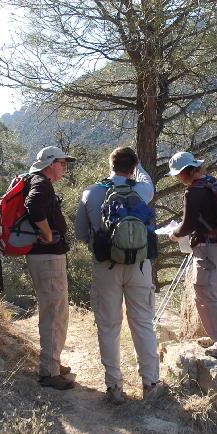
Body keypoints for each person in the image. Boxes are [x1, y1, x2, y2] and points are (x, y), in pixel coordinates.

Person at [75, 147, 165, 404]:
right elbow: (146, 179)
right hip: (139, 265)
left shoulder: (91, 193)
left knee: (109, 325)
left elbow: (81, 233)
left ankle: (114, 387)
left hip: (106, 266)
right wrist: (139, 165)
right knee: (143, 323)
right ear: (134, 166)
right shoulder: (143, 190)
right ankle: (150, 383)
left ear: (110, 164)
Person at [168, 151, 217, 358]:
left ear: (184, 173)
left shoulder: (194, 192)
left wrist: (174, 234)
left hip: (208, 249)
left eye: (178, 174)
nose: (178, 179)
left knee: (205, 292)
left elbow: (187, 225)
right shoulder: (213, 184)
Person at [25, 145, 76, 390]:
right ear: (50, 164)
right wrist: (46, 233)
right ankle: (49, 372)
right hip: (46, 257)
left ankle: (52, 362)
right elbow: (33, 206)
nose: (64, 168)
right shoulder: (41, 184)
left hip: (44, 257)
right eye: (62, 163)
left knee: (54, 311)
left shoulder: (36, 180)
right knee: (54, 312)